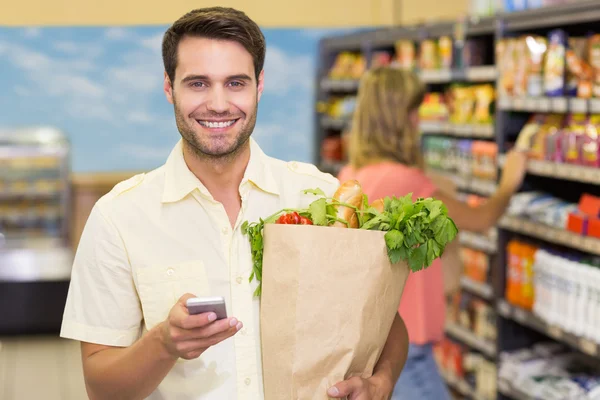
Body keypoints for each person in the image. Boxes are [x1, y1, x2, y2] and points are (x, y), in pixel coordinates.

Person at [60, 7, 409, 400]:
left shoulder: (321, 199)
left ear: (259, 86)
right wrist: (163, 344)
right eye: (197, 84)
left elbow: (386, 322)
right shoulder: (119, 218)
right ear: (168, 87)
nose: (219, 104)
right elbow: (102, 388)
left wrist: (381, 382)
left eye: (235, 83)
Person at [337, 67, 528, 400]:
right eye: (414, 112)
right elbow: (482, 218)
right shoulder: (410, 183)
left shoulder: (351, 174)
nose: (418, 122)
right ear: (402, 119)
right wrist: (510, 180)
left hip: (371, 336)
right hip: (405, 344)